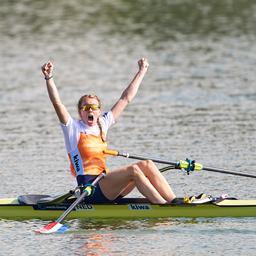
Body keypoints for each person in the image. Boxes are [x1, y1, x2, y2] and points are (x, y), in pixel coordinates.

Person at [41, 58, 176, 204]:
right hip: (89, 190)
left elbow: (125, 98)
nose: (90, 110)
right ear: (80, 112)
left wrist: (142, 71)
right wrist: (49, 78)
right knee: (133, 171)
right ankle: (163, 208)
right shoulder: (73, 129)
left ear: (100, 111)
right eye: (86, 108)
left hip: (106, 184)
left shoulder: (102, 123)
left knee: (147, 164)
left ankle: (174, 202)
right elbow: (57, 103)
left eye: (94, 107)